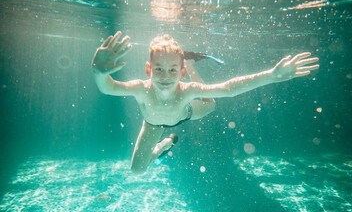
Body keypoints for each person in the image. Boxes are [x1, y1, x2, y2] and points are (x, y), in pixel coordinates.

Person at [91, 31, 319, 174]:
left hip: (186, 112)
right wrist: (99, 72)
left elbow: (229, 89)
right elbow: (108, 87)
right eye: (158, 69)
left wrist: (271, 75)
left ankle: (192, 65)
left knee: (210, 103)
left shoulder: (185, 91)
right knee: (137, 170)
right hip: (152, 125)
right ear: (148, 69)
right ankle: (165, 145)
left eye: (172, 70)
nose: (165, 77)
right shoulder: (142, 88)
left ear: (180, 74)